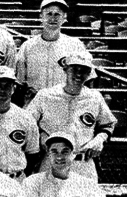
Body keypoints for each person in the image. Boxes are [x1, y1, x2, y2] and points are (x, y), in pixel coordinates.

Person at [26, 52, 115, 181]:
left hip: (83, 162)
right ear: (65, 69)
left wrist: (100, 139)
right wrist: (40, 135)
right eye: (74, 69)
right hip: (52, 161)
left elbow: (108, 124)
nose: (79, 74)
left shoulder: (95, 97)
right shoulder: (45, 95)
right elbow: (27, 123)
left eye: (84, 70)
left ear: (89, 73)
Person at [15, 0, 93, 106]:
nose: (53, 18)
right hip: (34, 103)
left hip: (65, 103)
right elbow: (19, 82)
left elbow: (88, 80)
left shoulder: (75, 45)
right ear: (41, 16)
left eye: (57, 14)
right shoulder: (28, 46)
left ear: (64, 17)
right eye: (49, 14)